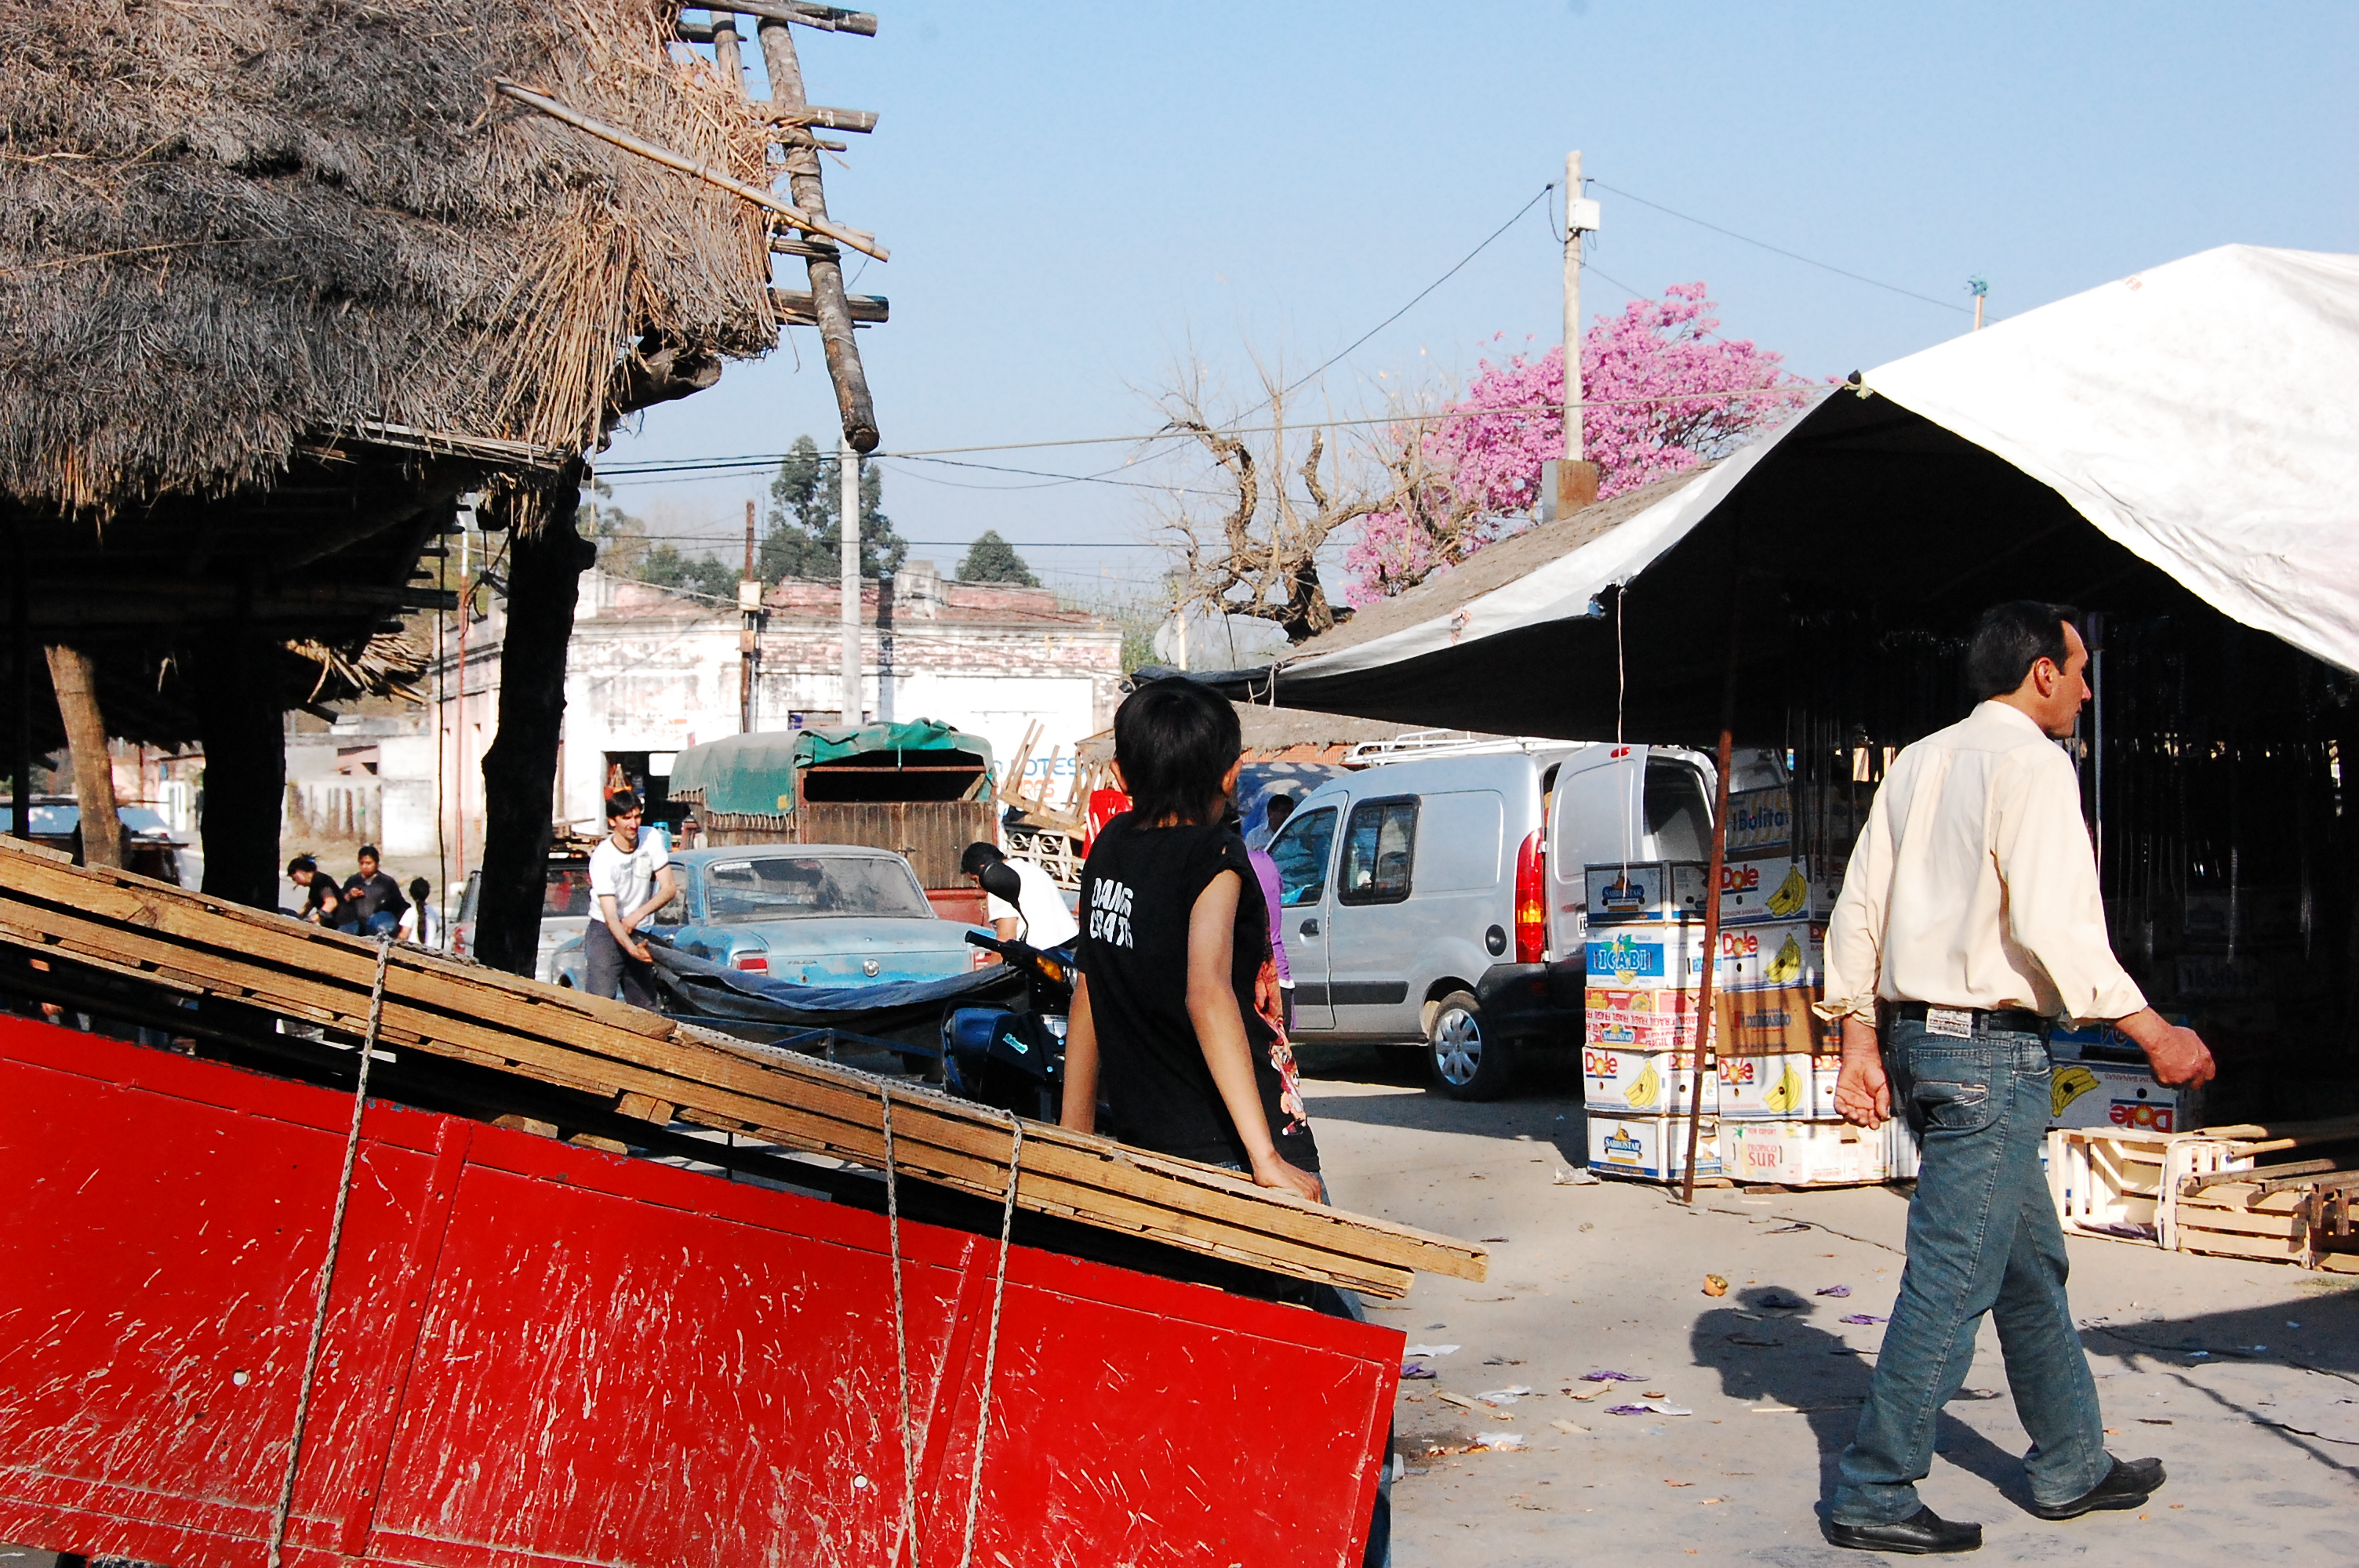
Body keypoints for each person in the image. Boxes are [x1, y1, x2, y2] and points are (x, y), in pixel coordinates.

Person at [1815, 601, 2215, 1555]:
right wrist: (2152, 1030)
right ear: (2040, 672)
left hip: (1926, 1042)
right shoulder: (2033, 764)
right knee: (1951, 1279)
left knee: (2028, 1264)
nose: (2084, 689)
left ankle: (2071, 1460)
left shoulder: (1920, 759)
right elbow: (2055, 923)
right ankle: (1873, 1486)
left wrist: (1859, 1043)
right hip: (1987, 1055)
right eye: (2077, 671)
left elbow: (1857, 907)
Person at [1060, 677, 1321, 1201]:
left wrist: (1073, 1132)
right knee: (1309, 1283)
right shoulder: (1214, 857)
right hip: (1234, 1144)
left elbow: (1090, 987)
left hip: (1149, 1139)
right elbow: (1207, 992)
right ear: (1231, 775)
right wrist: (1265, 1158)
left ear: (1121, 775)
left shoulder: (1109, 847)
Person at [586, 791, 678, 1009]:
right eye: (626, 818)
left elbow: (669, 888)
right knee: (601, 1003)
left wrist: (637, 916)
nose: (633, 824)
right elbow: (610, 916)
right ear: (612, 821)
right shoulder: (603, 858)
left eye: (637, 817)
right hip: (606, 931)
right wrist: (629, 947)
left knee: (646, 1005)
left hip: (639, 928)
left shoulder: (651, 837)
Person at [960, 840, 1081, 950]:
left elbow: (1006, 940)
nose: (978, 887)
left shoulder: (998, 881)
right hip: (1073, 949)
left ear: (983, 869)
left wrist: (985, 973)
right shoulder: (1031, 869)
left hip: (1046, 960)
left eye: (975, 880)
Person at [1249, 793, 1296, 1032]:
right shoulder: (1263, 856)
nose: (1288, 817)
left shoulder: (1252, 865)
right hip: (1279, 976)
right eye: (1283, 812)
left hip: (1263, 979)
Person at [338, 845, 408, 937]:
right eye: (361, 863)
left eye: (368, 863)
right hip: (356, 929)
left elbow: (400, 906)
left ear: (377, 863)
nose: (365, 867)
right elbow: (340, 902)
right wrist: (350, 896)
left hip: (380, 931)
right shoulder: (353, 881)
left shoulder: (387, 882)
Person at [286, 855, 340, 925]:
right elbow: (308, 906)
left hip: (343, 924)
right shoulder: (315, 884)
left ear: (300, 871)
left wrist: (315, 918)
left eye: (294, 878)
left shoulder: (321, 881)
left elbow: (331, 902)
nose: (297, 883)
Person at [397, 877, 439, 948]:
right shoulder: (433, 911)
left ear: (411, 893)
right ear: (428, 894)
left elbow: (404, 935)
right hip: (431, 951)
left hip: (413, 951)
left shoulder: (410, 912)